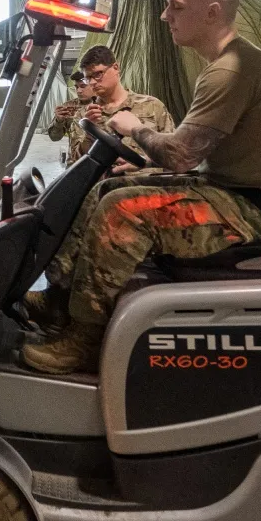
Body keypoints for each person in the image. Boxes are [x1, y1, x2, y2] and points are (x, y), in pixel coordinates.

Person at [23, 0, 261, 375]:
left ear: (212, 13)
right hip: (232, 186)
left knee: (124, 209)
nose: (164, 16)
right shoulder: (226, 63)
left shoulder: (232, 70)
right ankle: (61, 298)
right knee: (109, 186)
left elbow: (179, 156)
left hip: (256, 206)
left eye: (175, 7)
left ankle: (85, 339)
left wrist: (132, 127)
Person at [28, 45, 175, 324]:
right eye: (88, 78)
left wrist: (143, 163)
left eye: (98, 75)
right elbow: (82, 158)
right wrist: (90, 130)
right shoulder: (87, 113)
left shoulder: (150, 107)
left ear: (115, 69)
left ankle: (74, 312)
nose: (93, 83)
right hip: (98, 188)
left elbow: (172, 155)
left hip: (136, 193)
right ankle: (59, 293)